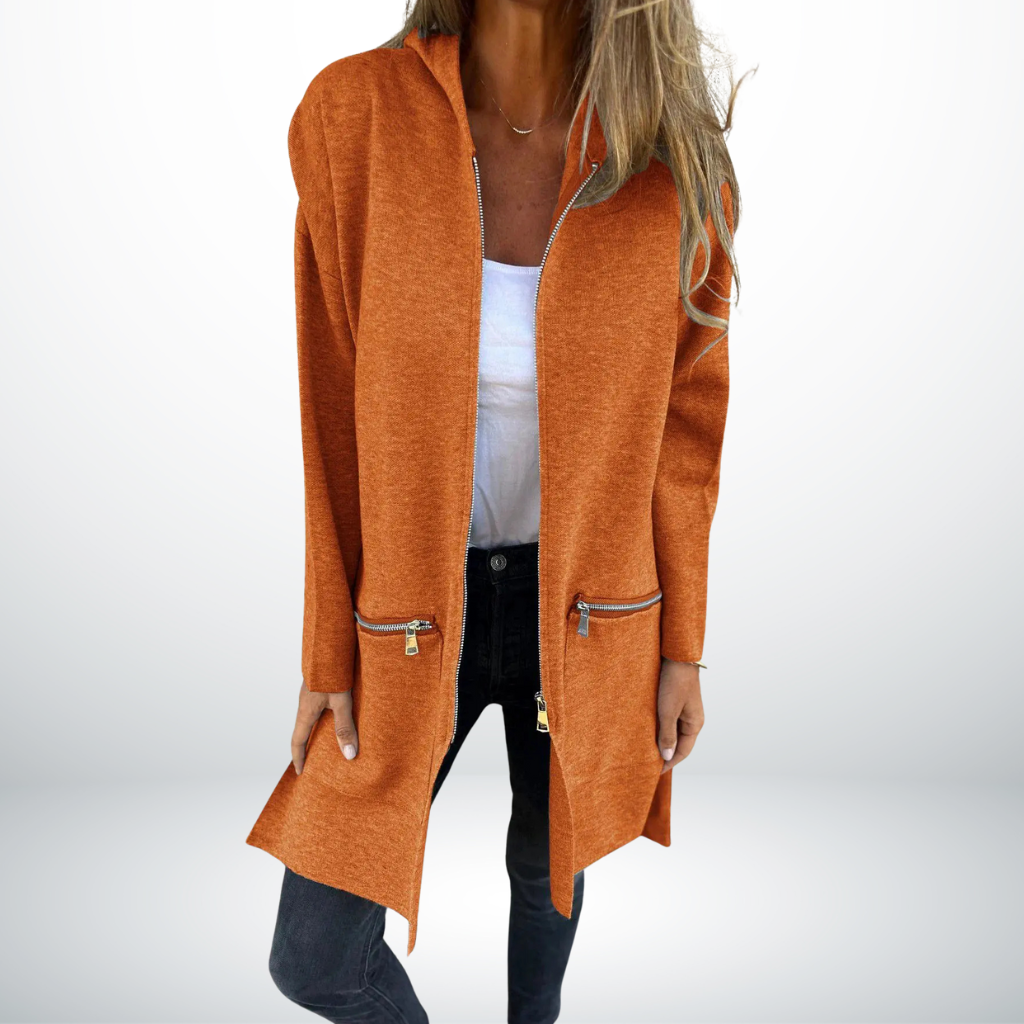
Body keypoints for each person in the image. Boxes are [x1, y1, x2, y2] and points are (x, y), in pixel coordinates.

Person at [247, 0, 743, 1020]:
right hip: (410, 613)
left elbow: (685, 430)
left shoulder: (670, 157)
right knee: (315, 955)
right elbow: (327, 411)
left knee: (544, 864)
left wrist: (682, 645)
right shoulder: (354, 116)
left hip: (592, 611)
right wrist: (326, 654)